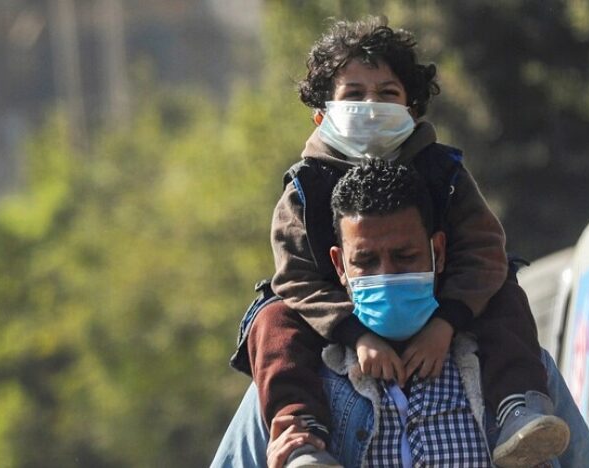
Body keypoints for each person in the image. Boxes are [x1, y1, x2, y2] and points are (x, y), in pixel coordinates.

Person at [236, 16, 569, 468]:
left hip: (442, 305)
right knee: (272, 318)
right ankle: (301, 434)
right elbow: (295, 277)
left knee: (506, 291)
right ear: (322, 113)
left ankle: (518, 409)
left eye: (387, 93)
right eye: (354, 95)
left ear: (412, 109)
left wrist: (446, 323)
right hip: (336, 317)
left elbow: (485, 252)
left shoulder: (444, 172)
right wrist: (354, 334)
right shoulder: (304, 187)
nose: (371, 105)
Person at [213, 162, 589, 468]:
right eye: (366, 261)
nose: (387, 274)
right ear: (340, 266)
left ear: (437, 252)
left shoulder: (513, 373)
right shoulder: (296, 384)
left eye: (405, 256)